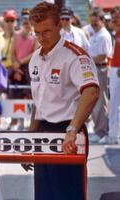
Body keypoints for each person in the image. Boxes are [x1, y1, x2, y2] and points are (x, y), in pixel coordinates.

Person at [27, 2, 99, 200]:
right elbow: (39, 101)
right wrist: (29, 139)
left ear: (60, 25)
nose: (42, 37)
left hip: (67, 132)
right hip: (42, 132)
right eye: (37, 32)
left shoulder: (75, 56)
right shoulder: (34, 58)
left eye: (47, 31)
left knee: (68, 194)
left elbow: (91, 92)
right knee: (43, 195)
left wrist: (72, 129)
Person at [87, 8, 113, 144]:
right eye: (92, 22)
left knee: (100, 102)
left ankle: (101, 131)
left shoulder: (104, 35)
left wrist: (88, 61)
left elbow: (104, 55)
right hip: (95, 69)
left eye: (96, 22)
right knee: (96, 101)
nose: (93, 24)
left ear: (102, 21)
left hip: (100, 69)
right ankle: (99, 129)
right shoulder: (95, 34)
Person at [107, 6, 120, 144]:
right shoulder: (116, 33)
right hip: (115, 69)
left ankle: (114, 134)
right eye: (113, 19)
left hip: (118, 69)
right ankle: (114, 134)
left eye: (117, 18)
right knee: (114, 103)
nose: (114, 21)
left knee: (115, 103)